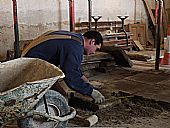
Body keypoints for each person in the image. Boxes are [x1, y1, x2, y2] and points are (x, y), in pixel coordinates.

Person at [22, 30, 105, 104]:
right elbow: (71, 76)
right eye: (96, 49)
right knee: (62, 98)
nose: (94, 52)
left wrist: (81, 76)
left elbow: (71, 66)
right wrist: (91, 92)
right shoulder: (75, 47)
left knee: (58, 91)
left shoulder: (74, 39)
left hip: (32, 60)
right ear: (92, 42)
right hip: (32, 64)